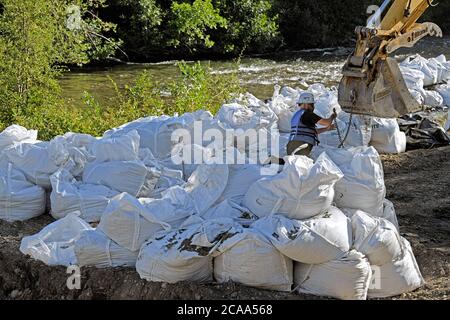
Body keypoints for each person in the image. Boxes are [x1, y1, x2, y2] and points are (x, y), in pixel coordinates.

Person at [287, 92, 337, 157]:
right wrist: (332, 116)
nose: (313, 107)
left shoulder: (297, 115)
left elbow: (311, 132)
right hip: (300, 147)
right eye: (312, 105)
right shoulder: (307, 114)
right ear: (307, 104)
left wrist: (327, 129)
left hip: (290, 148)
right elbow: (327, 123)